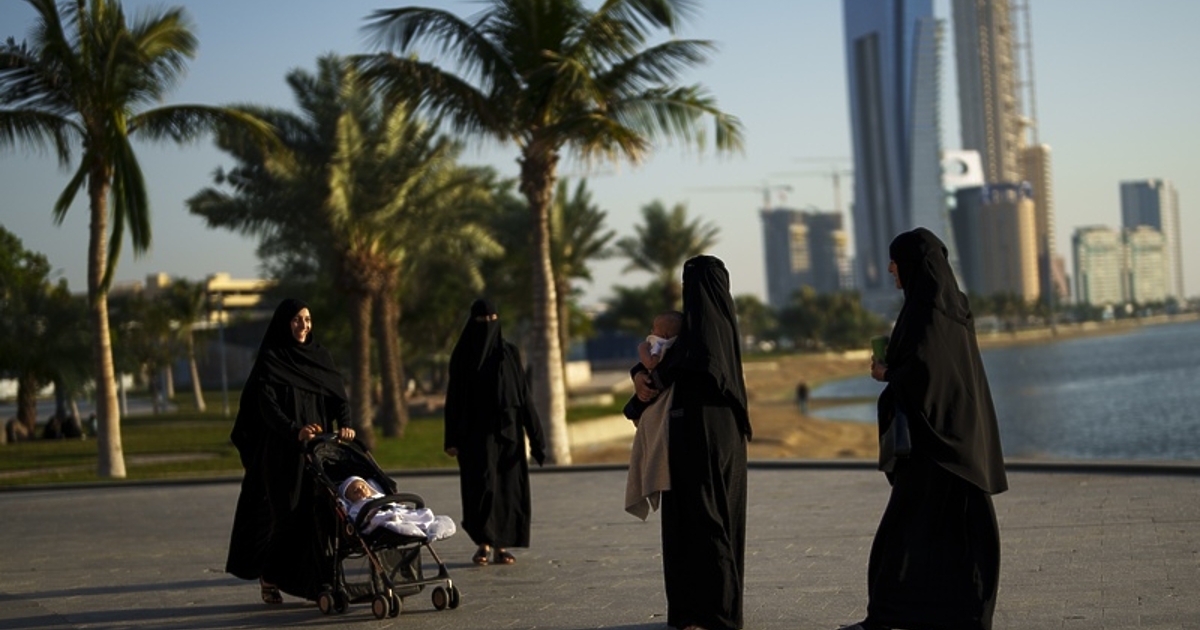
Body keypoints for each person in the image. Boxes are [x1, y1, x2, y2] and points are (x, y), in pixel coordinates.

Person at [839, 228, 1008, 630]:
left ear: (913, 265)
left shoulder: (924, 312)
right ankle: (960, 616)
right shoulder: (951, 308)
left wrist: (886, 372)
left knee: (901, 537)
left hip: (934, 446)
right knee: (961, 534)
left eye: (896, 262)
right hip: (958, 439)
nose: (891, 270)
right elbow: (941, 375)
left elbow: (923, 376)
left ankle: (886, 617)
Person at [632, 256, 751, 630]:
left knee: (709, 524)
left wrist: (644, 372)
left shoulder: (705, 342)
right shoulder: (705, 337)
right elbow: (658, 373)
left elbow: (672, 368)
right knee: (688, 526)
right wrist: (641, 374)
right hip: (699, 440)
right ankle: (690, 612)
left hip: (707, 441)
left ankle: (718, 614)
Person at [225, 298, 356, 605]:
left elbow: (339, 398)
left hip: (319, 453)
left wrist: (346, 425)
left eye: (308, 320)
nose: (303, 326)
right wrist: (293, 430)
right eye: (297, 320)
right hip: (282, 455)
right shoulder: (272, 359)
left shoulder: (320, 357)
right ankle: (270, 576)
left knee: (322, 517)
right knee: (289, 518)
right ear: (285, 322)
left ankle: (321, 582)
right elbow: (266, 407)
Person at [443, 299, 546, 566]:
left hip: (509, 433)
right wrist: (451, 439)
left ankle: (502, 546)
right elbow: (454, 398)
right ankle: (483, 544)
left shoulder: (509, 353)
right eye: (482, 320)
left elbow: (523, 397)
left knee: (508, 490)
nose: (488, 325)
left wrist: (537, 439)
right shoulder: (463, 354)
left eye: (493, 319)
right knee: (481, 488)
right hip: (475, 436)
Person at [624, 311, 682, 520]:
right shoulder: (660, 344)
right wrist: (640, 374)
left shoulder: (667, 345)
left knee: (636, 412)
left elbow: (653, 366)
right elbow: (646, 365)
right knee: (634, 410)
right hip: (652, 384)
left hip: (654, 388)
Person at [338, 476, 456, 541]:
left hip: (396, 511)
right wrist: (368, 516)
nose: (361, 490)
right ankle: (418, 531)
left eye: (363, 486)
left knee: (424, 514)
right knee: (391, 522)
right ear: (349, 499)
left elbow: (395, 504)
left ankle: (432, 530)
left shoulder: (380, 496)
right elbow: (357, 520)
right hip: (379, 521)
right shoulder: (355, 507)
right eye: (355, 491)